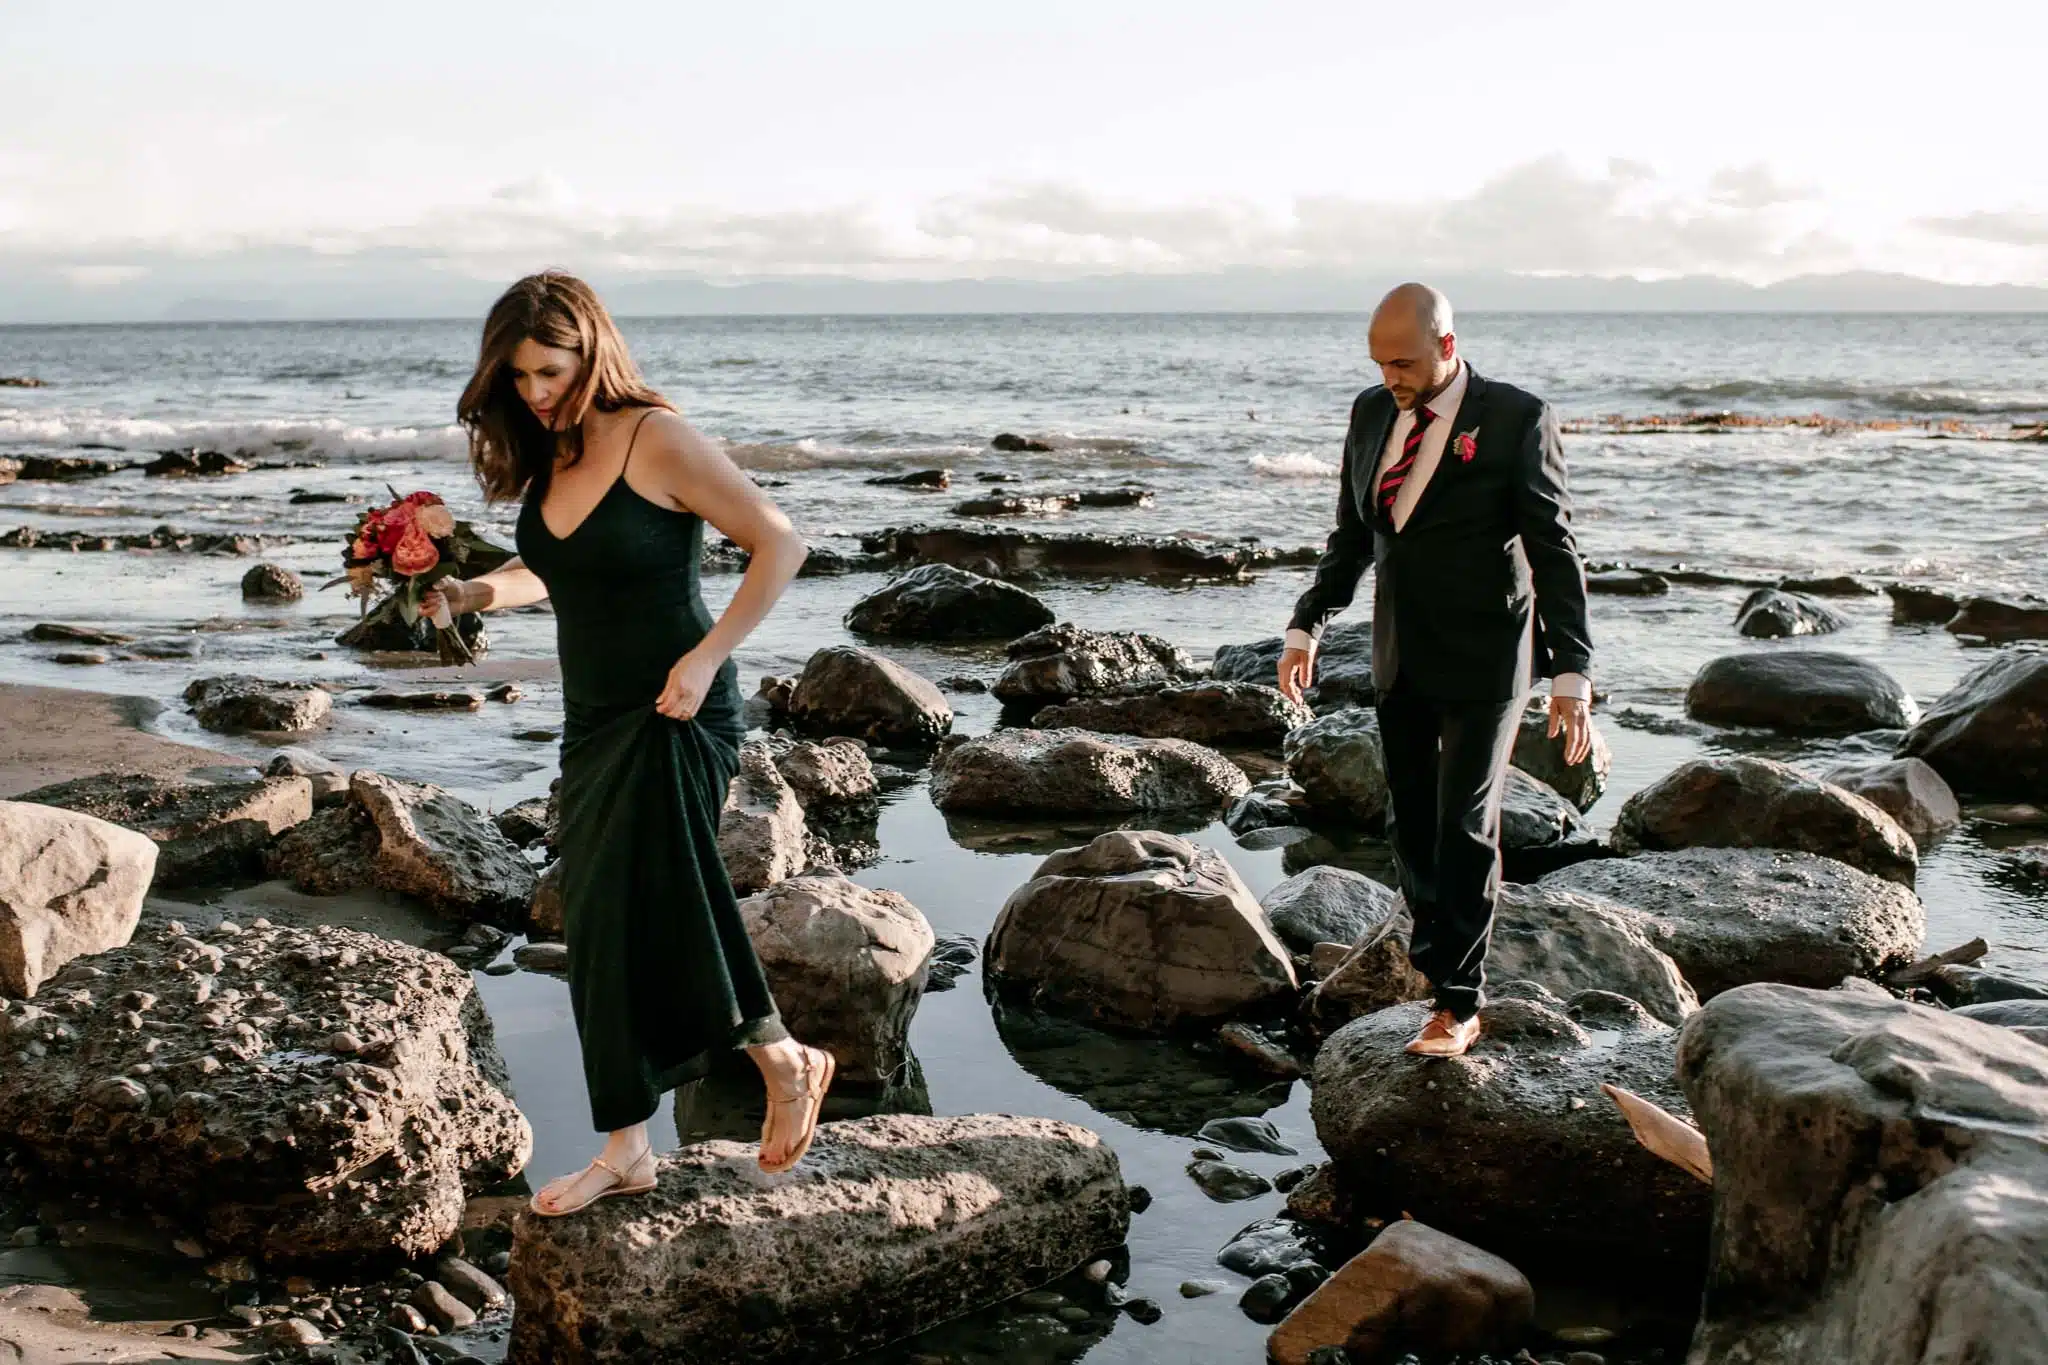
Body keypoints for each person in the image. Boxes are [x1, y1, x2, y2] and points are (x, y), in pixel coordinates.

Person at [425, 271, 832, 1215]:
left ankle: (783, 1056)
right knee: (600, 924)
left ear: (591, 350)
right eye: (518, 375)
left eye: (550, 369)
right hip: (596, 718)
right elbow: (560, 570)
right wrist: (477, 592)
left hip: (680, 705)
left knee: (671, 895)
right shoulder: (554, 450)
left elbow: (780, 543)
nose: (533, 391)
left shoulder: (658, 435)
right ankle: (627, 1148)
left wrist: (706, 656)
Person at [1278, 282, 1594, 1059]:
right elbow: (1352, 533)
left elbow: (1554, 550)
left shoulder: (1517, 418)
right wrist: (1307, 622)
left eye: (1406, 360)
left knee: (1464, 824)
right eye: (1381, 361)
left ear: (1447, 345)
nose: (1393, 376)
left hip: (1489, 656)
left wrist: (1571, 674)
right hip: (1402, 650)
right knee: (1408, 820)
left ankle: (1460, 1002)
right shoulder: (1370, 413)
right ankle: (1435, 953)